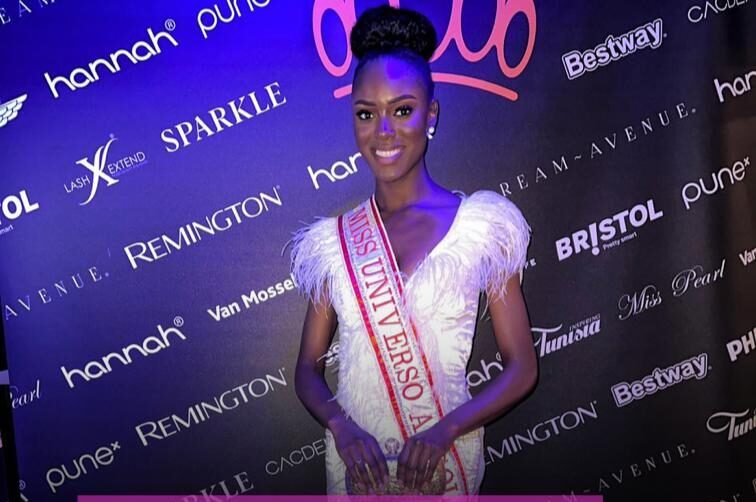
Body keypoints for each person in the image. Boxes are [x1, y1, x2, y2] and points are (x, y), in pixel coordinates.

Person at [290, 5, 538, 496]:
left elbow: (522, 368)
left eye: (402, 110)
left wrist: (446, 431)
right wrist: (341, 428)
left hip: (445, 465)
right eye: (366, 114)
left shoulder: (481, 229)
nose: (383, 132)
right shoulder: (334, 244)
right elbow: (306, 368)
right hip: (358, 472)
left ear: (431, 115)